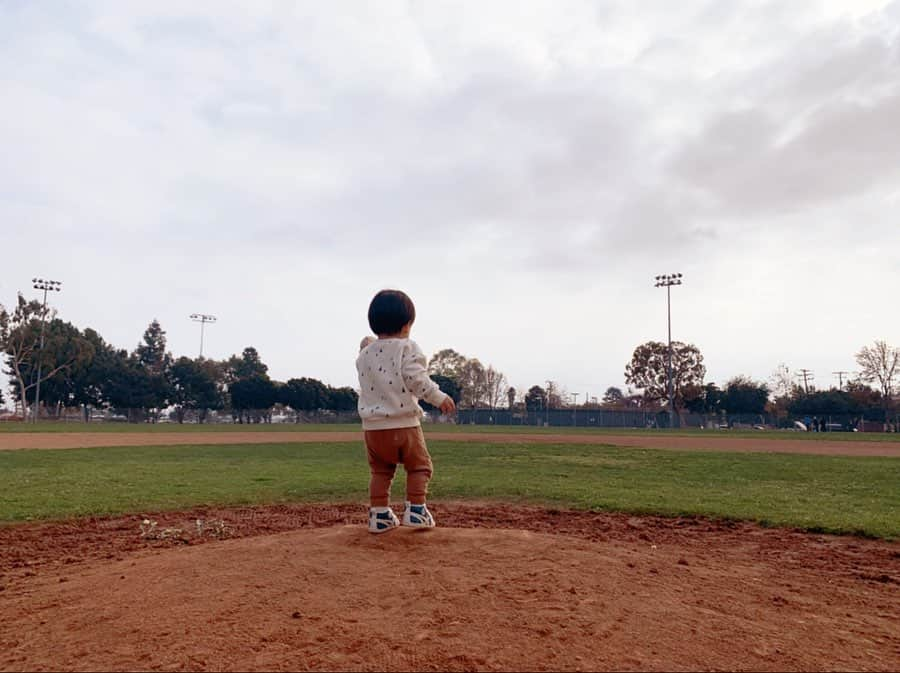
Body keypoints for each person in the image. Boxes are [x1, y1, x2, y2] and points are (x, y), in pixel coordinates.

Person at [356, 289, 456, 534]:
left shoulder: (364, 355)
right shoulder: (407, 347)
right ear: (406, 324)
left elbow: (372, 358)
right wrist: (438, 397)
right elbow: (416, 379)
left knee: (380, 471)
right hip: (404, 424)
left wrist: (367, 346)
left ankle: (379, 515)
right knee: (419, 467)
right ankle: (416, 511)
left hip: (373, 429)